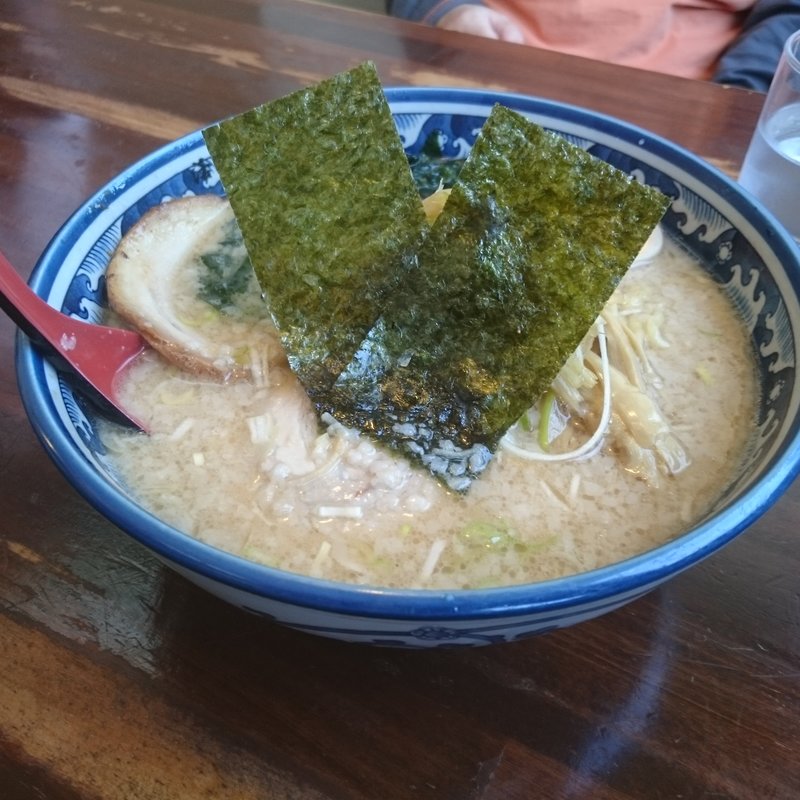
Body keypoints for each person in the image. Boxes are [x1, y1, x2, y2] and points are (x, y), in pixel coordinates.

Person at [385, 0, 800, 91]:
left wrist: (742, 91)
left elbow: (788, 12)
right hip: (484, 70)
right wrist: (446, 10)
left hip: (681, 100)